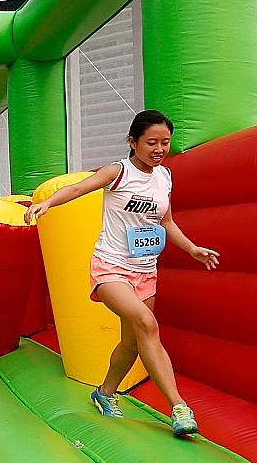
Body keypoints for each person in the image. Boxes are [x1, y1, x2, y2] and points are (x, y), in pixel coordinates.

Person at [24, 110, 220, 438]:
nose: (159, 149)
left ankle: (104, 392)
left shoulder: (164, 177)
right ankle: (178, 406)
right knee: (146, 323)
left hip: (145, 271)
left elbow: (167, 221)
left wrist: (192, 249)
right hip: (110, 267)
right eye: (151, 142)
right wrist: (47, 205)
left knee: (131, 343)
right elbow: (79, 188)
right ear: (133, 142)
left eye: (165, 143)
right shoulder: (120, 172)